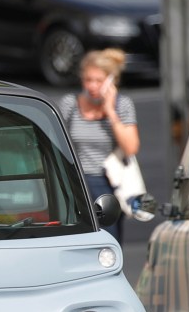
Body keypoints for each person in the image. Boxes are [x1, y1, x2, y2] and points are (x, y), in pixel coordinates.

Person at [58, 48, 140, 243]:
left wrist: (110, 112)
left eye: (99, 81)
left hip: (107, 183)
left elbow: (131, 148)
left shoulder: (122, 105)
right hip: (76, 182)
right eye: (88, 80)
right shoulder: (70, 104)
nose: (92, 86)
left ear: (112, 81)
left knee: (109, 239)